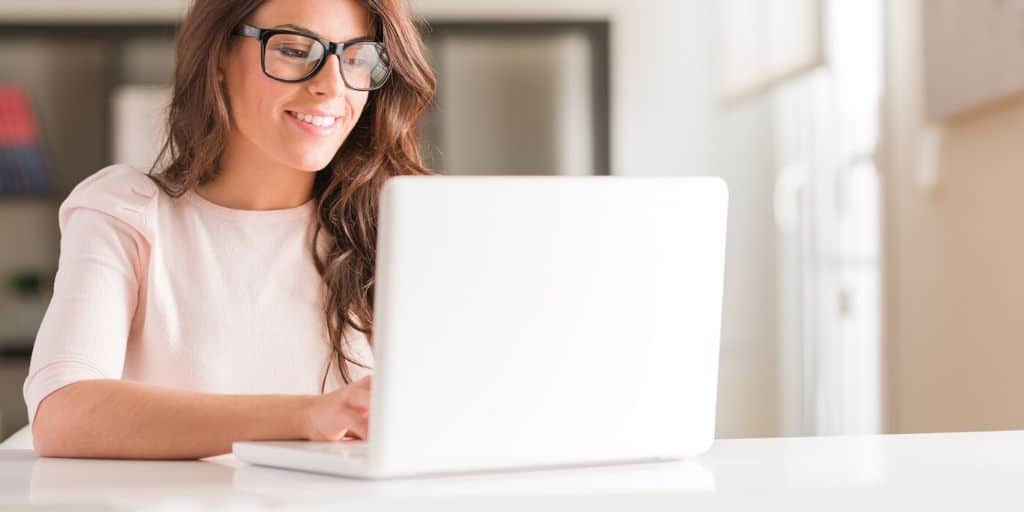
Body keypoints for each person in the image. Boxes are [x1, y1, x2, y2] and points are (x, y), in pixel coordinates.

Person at [23, 0, 436, 459]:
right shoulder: (126, 210)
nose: (331, 86)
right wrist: (308, 415)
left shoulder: (401, 225)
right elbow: (62, 413)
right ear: (218, 55)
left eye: (358, 58)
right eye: (296, 51)